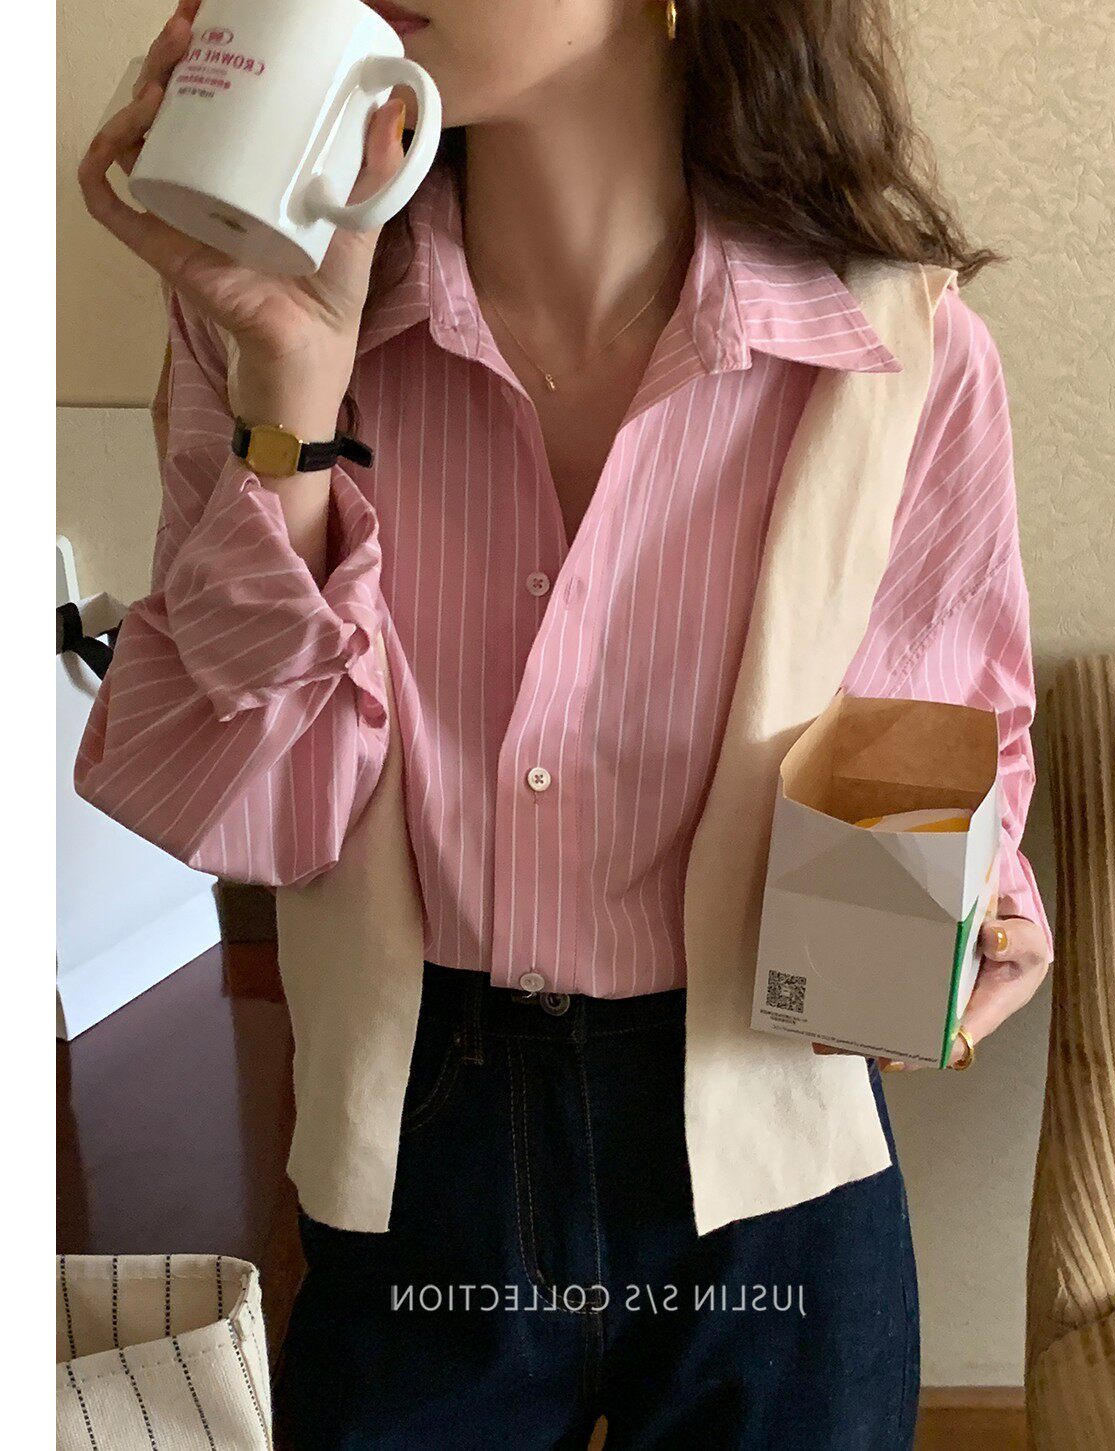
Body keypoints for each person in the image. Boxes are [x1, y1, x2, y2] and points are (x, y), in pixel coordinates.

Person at [75, 1, 1053, 1445]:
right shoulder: (262, 327)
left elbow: (937, 726)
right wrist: (289, 397)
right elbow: (259, 817)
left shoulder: (901, 353)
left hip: (765, 1141)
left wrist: (978, 899)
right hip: (414, 1149)